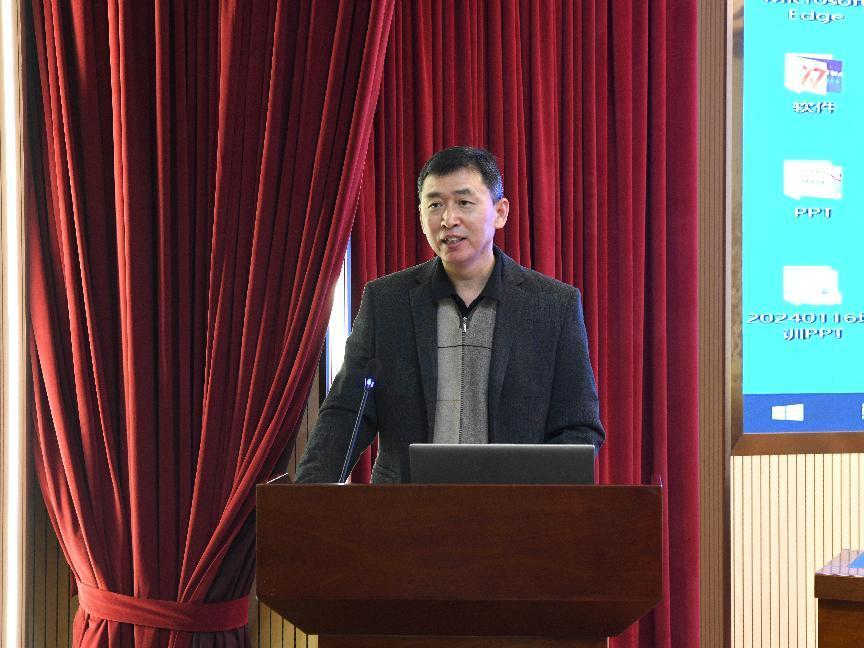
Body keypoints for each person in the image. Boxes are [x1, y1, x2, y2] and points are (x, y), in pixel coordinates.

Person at [295, 146, 604, 483]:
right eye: (435, 205)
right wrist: (308, 496)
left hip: (513, 509)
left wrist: (532, 494)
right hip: (405, 508)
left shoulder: (553, 306)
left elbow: (579, 427)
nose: (448, 219)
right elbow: (346, 414)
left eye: (464, 202)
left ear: (500, 212)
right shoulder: (386, 302)